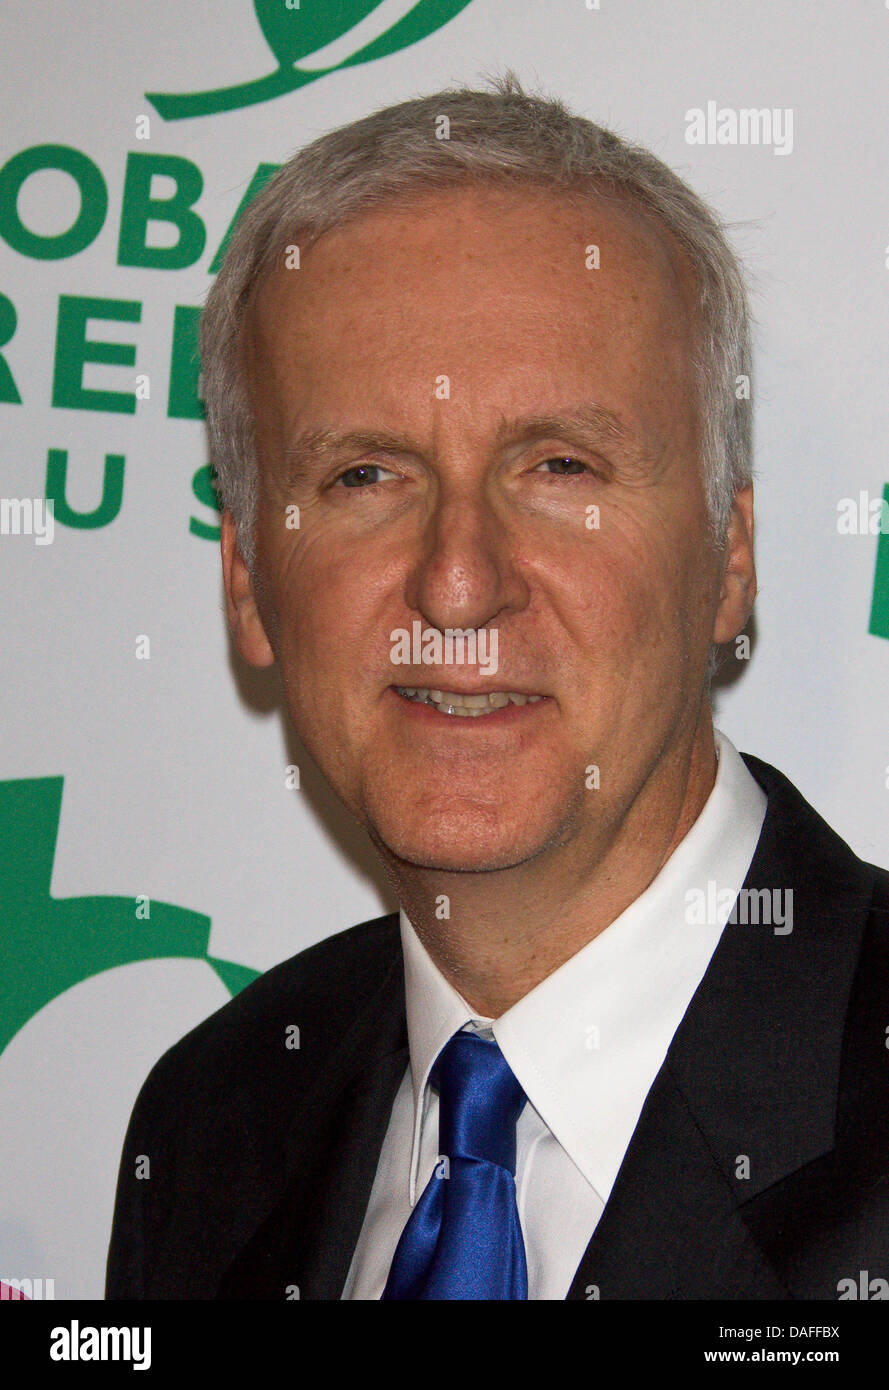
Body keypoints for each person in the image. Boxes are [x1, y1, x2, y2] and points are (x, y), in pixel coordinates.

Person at [106, 75, 889, 1300]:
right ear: (250, 578)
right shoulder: (211, 1126)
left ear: (728, 558)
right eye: (366, 474)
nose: (457, 584)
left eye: (559, 464)